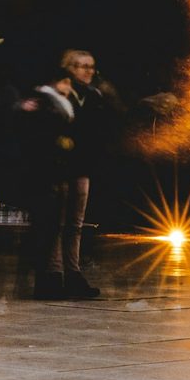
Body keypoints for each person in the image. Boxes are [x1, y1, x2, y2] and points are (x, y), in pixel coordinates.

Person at [16, 67, 85, 299]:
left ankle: (54, 279)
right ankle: (49, 280)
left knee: (55, 226)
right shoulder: (45, 102)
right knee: (50, 226)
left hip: (58, 169)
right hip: (50, 170)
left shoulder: (59, 101)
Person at [60, 50, 122, 292]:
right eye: (81, 66)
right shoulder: (62, 95)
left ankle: (72, 273)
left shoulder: (94, 96)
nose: (87, 71)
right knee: (60, 223)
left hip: (82, 166)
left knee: (75, 223)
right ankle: (57, 274)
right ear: (69, 69)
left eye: (91, 66)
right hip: (62, 167)